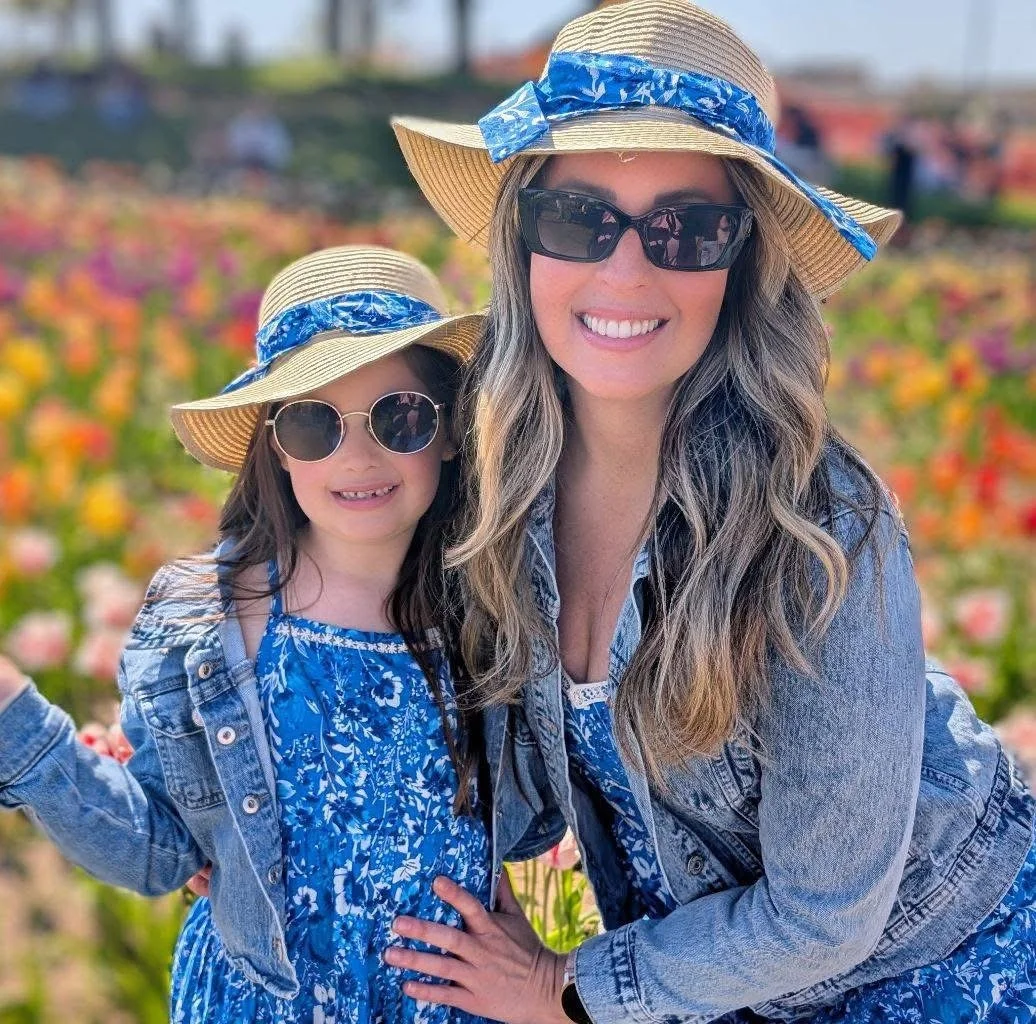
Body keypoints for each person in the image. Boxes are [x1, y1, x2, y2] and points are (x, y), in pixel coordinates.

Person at [385, 1, 1036, 1021]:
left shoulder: (818, 524)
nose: (625, 270)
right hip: (713, 977)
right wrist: (225, 796)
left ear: (741, 266)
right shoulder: (492, 493)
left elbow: (826, 915)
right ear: (521, 243)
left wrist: (567, 987)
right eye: (577, 218)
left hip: (938, 965)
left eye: (688, 228)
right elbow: (487, 780)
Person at [0, 245, 493, 1024]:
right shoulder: (207, 623)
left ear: (451, 432)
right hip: (261, 1003)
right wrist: (24, 726)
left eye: (400, 417)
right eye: (313, 422)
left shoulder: (495, 613)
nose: (357, 455)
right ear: (274, 443)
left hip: (450, 1007)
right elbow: (163, 850)